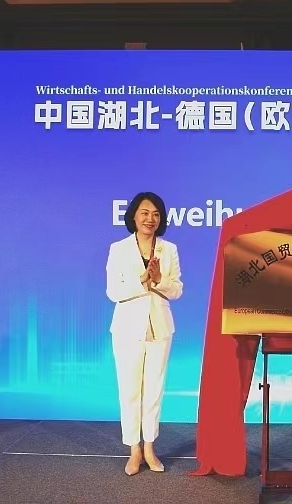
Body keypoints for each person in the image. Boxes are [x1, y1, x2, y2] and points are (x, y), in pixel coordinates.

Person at [105, 191, 183, 475]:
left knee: (153, 390)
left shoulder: (169, 249)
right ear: (134, 216)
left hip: (159, 327)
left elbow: (177, 289)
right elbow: (113, 291)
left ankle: (149, 446)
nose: (150, 219)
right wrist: (142, 279)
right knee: (130, 391)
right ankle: (133, 449)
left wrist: (159, 280)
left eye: (156, 214)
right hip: (127, 328)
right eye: (145, 213)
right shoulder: (119, 249)